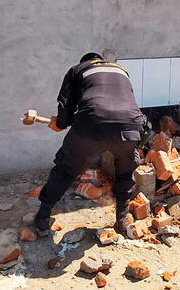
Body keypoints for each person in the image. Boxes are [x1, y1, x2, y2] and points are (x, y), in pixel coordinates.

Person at [34, 52, 144, 235]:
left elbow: (66, 105)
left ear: (84, 61)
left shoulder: (78, 70)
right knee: (125, 169)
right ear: (100, 60)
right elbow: (124, 100)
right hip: (129, 125)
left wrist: (60, 124)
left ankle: (42, 219)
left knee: (66, 169)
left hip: (92, 125)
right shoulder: (121, 70)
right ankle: (122, 218)